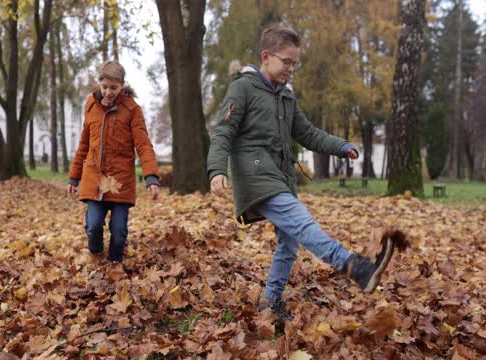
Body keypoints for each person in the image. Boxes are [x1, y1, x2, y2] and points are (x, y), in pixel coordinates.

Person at [207, 27, 397, 322]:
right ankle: (354, 266)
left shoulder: (285, 96)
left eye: (295, 63)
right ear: (266, 57)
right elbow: (223, 131)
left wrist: (340, 146)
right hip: (256, 173)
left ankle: (270, 302)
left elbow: (307, 133)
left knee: (289, 240)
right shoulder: (242, 87)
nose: (291, 69)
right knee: (300, 221)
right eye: (286, 62)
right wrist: (217, 169)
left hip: (280, 174)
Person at [68, 60, 160, 263]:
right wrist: (74, 178)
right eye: (105, 87)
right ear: (99, 84)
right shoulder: (91, 106)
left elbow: (143, 145)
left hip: (120, 181)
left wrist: (151, 177)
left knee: (119, 232)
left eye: (114, 88)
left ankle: (115, 264)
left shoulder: (132, 109)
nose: (108, 92)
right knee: (92, 226)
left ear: (122, 85)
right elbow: (84, 145)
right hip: (95, 180)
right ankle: (96, 254)